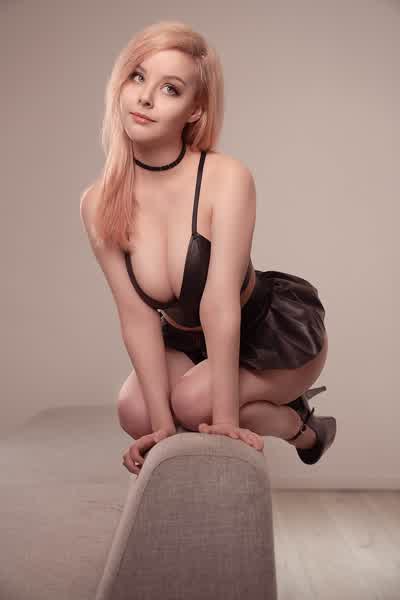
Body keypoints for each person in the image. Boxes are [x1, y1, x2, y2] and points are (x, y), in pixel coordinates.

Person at [80, 20, 336, 476]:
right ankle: (225, 407)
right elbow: (136, 317)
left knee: (193, 403)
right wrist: (161, 428)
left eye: (170, 89)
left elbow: (219, 304)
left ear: (195, 110)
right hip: (186, 342)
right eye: (138, 77)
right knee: (135, 412)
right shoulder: (98, 202)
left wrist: (226, 423)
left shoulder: (225, 178)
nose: (145, 97)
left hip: (269, 337)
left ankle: (301, 427)